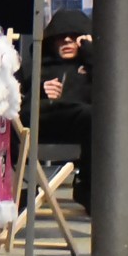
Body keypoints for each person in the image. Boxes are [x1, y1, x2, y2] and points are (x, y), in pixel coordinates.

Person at [37, 9, 94, 151]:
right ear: (52, 41)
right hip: (43, 124)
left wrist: (90, 52)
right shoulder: (38, 67)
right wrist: (40, 90)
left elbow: (109, 93)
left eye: (74, 36)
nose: (67, 40)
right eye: (61, 36)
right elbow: (22, 104)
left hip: (81, 127)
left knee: (91, 114)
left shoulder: (93, 67)